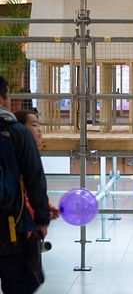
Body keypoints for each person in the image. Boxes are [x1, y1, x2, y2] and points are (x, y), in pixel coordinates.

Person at [0, 76, 50, 293]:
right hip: (10, 225)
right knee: (18, 283)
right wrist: (42, 219)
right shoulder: (17, 133)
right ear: (3, 98)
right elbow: (34, 179)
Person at [14, 109, 60, 220]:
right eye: (34, 125)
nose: (39, 129)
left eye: (39, 125)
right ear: (21, 129)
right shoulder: (17, 157)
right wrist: (40, 214)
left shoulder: (29, 155)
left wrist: (44, 207)